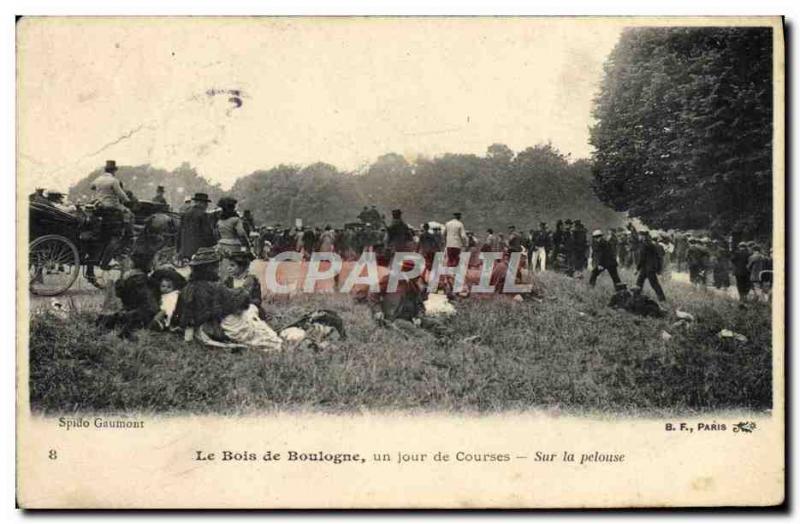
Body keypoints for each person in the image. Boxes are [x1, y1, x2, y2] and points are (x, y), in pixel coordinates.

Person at [174, 247, 281, 351]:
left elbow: (180, 315)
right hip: (214, 329)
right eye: (217, 266)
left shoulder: (188, 288)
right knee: (267, 337)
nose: (220, 269)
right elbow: (236, 301)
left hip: (197, 331)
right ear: (209, 268)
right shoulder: (215, 287)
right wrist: (242, 292)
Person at [96, 251, 160, 338]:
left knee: (115, 317)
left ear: (132, 264)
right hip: (141, 315)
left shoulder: (131, 279)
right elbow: (151, 306)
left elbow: (120, 294)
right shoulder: (145, 281)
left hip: (130, 311)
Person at [178, 192, 217, 261]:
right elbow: (207, 232)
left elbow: (180, 230)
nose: (206, 205)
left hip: (185, 249)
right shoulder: (203, 214)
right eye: (205, 203)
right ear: (200, 203)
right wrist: (213, 243)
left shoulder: (186, 213)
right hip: (198, 250)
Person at [149, 266, 187, 331]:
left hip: (170, 310)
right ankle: (159, 324)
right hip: (162, 309)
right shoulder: (159, 294)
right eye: (163, 286)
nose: (165, 289)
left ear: (174, 287)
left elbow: (172, 305)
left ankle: (158, 322)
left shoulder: (173, 294)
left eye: (169, 287)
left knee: (163, 313)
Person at [635, 230, 666, 301]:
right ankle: (636, 296)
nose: (638, 237)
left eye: (639, 235)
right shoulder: (650, 243)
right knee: (640, 282)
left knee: (653, 284)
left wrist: (637, 269)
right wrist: (658, 268)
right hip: (649, 268)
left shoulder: (644, 244)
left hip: (647, 268)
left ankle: (662, 298)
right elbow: (658, 257)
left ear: (643, 236)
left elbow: (642, 258)